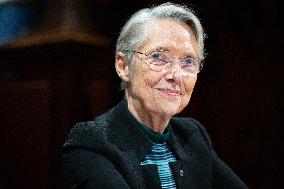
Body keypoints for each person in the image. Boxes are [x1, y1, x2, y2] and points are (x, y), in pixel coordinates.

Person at [63, 2, 248, 189]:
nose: (175, 75)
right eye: (158, 57)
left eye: (188, 61)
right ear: (123, 66)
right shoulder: (91, 142)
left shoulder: (192, 135)